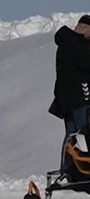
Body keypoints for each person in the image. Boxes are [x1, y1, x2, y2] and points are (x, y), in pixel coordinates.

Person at [50, 15, 90, 169]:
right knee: (84, 133)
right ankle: (82, 168)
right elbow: (86, 63)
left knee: (71, 135)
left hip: (67, 100)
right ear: (85, 28)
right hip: (81, 97)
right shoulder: (77, 44)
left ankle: (68, 168)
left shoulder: (66, 42)